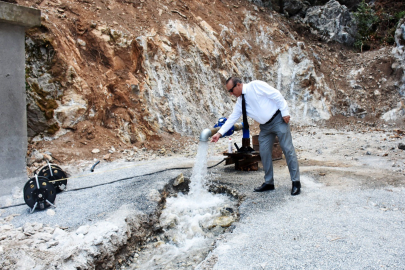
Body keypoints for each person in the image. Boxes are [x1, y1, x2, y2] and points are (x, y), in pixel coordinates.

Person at [211, 77, 301, 195]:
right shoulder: (240, 102)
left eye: (231, 90)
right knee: (263, 152)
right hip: (265, 127)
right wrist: (219, 133)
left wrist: (285, 112)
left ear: (238, 85)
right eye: (229, 92)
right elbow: (232, 118)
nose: (231, 94)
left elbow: (276, 95)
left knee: (288, 149)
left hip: (278, 120)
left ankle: (296, 182)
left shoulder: (256, 85)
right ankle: (269, 182)